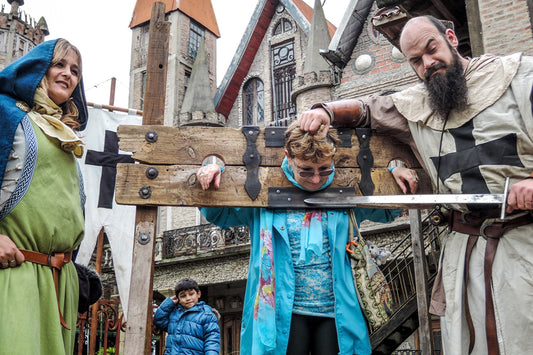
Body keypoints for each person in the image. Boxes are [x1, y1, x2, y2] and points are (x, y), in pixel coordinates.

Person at [298, 15, 533, 355]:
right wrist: (323, 111)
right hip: (464, 255)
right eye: (415, 60)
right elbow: (366, 110)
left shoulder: (519, 78)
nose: (427, 63)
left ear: (451, 37)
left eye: (431, 48)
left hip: (524, 244)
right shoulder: (415, 106)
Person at [196, 121, 418, 354]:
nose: (315, 179)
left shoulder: (348, 192)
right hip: (283, 314)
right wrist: (214, 175)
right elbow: (219, 214)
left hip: (337, 313)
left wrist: (394, 171)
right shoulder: (259, 193)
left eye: (324, 170)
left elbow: (388, 211)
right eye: (305, 170)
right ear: (287, 157)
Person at [0, 39, 87, 354]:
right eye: (59, 65)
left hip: (60, 285)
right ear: (38, 68)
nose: (68, 74)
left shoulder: (65, 136)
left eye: (75, 70)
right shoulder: (7, 114)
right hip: (15, 274)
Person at [153, 278, 221, 355]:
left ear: (198, 294)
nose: (188, 298)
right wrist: (168, 303)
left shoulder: (207, 314)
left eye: (191, 294)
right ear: (178, 298)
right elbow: (159, 320)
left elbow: (211, 341)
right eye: (183, 296)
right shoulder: (174, 314)